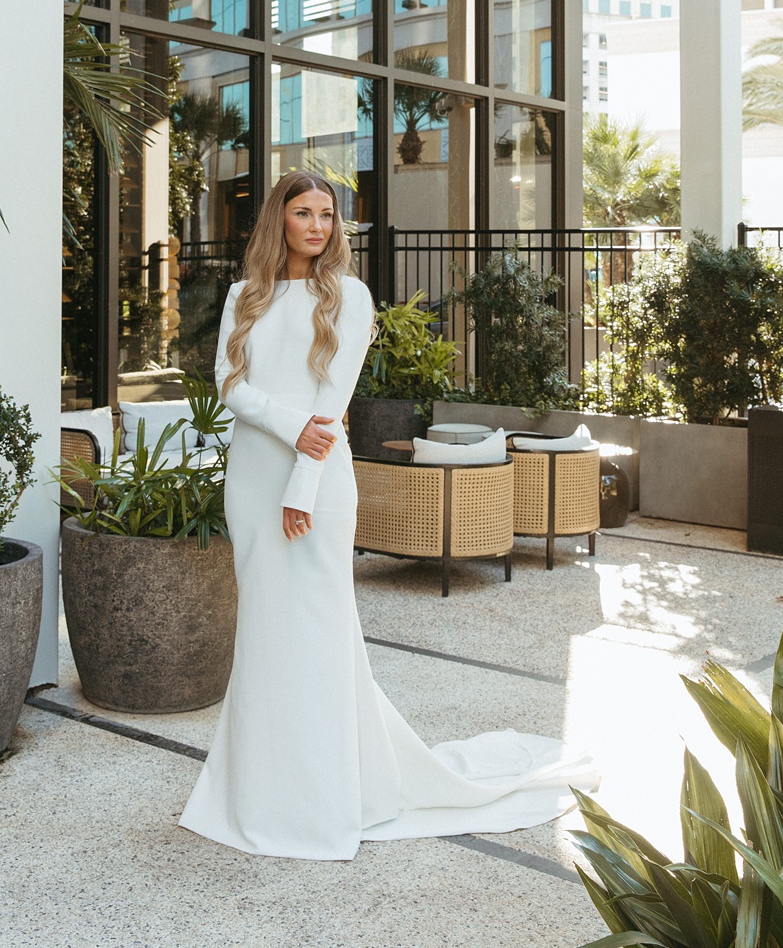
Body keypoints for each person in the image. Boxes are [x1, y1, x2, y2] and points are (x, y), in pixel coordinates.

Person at [180, 170, 597, 860]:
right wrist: (289, 429)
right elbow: (231, 388)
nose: (318, 226)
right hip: (252, 480)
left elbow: (332, 399)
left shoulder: (348, 296)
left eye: (328, 215)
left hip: (311, 483)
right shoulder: (241, 297)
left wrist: (302, 483)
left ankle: (322, 798)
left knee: (314, 632)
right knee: (263, 632)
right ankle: (253, 793)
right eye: (304, 212)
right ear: (278, 219)